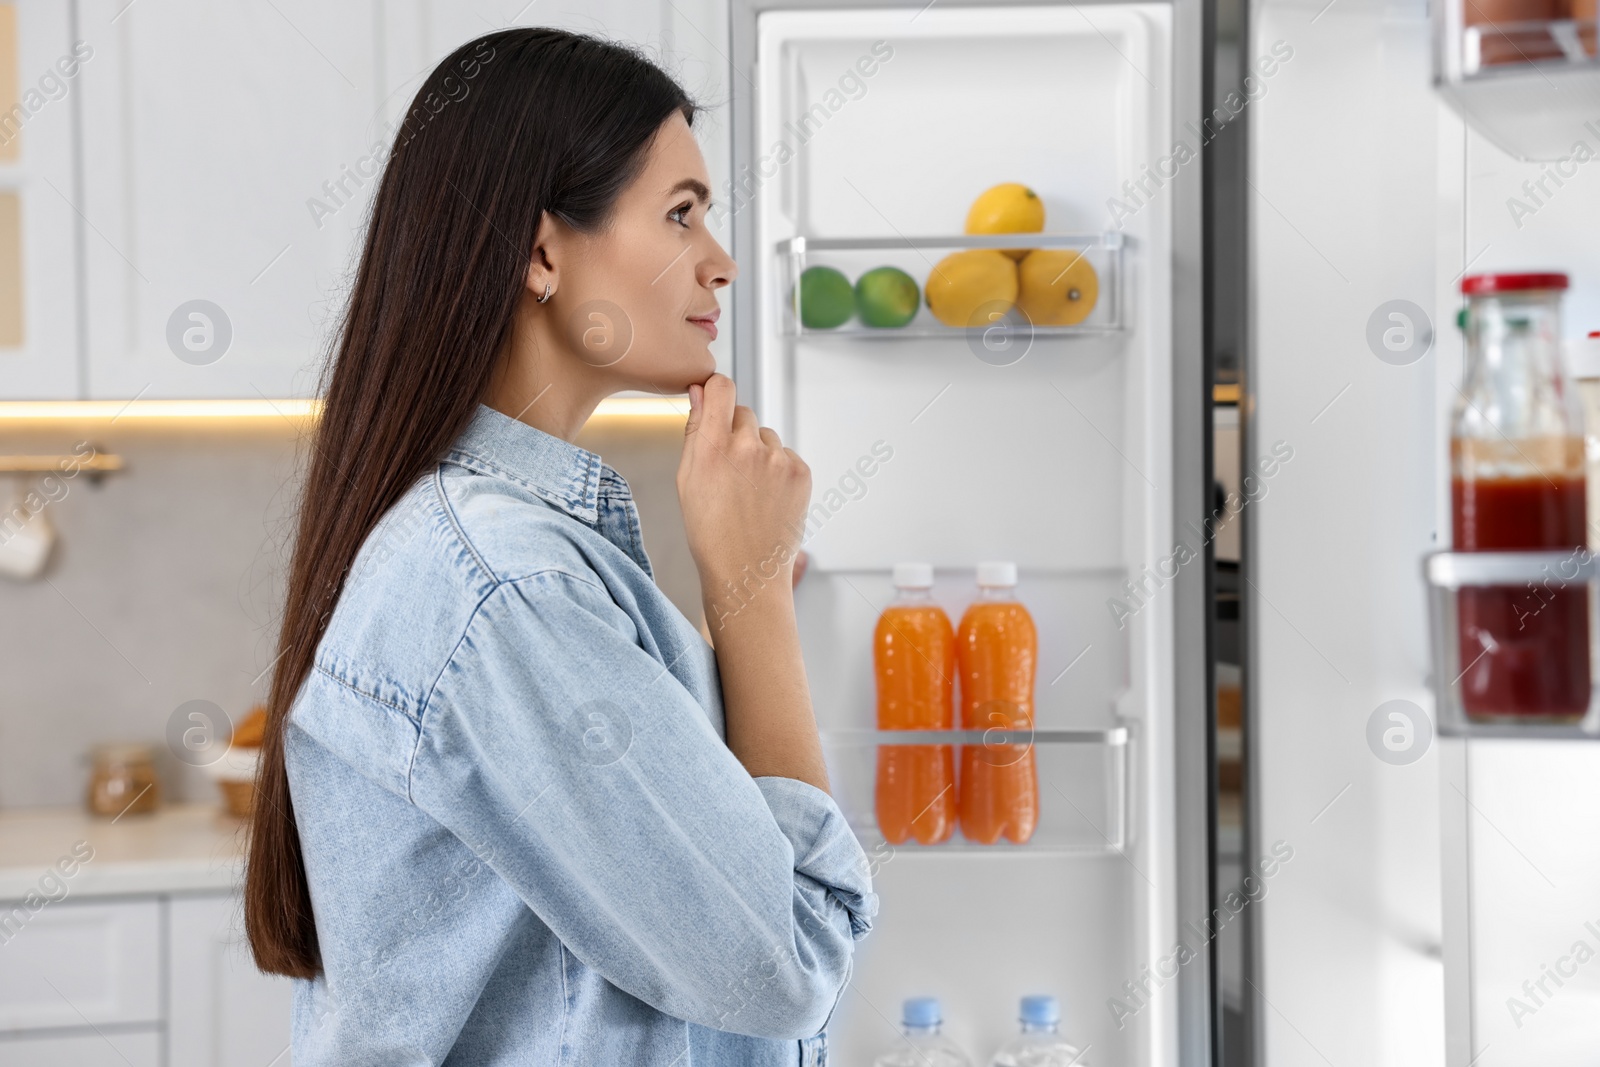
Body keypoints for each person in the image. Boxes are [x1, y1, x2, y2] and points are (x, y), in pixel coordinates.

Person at [243, 27, 877, 1066]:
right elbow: (787, 964)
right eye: (680, 214)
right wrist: (750, 595)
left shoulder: (508, 561)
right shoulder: (504, 586)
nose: (719, 262)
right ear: (542, 251)